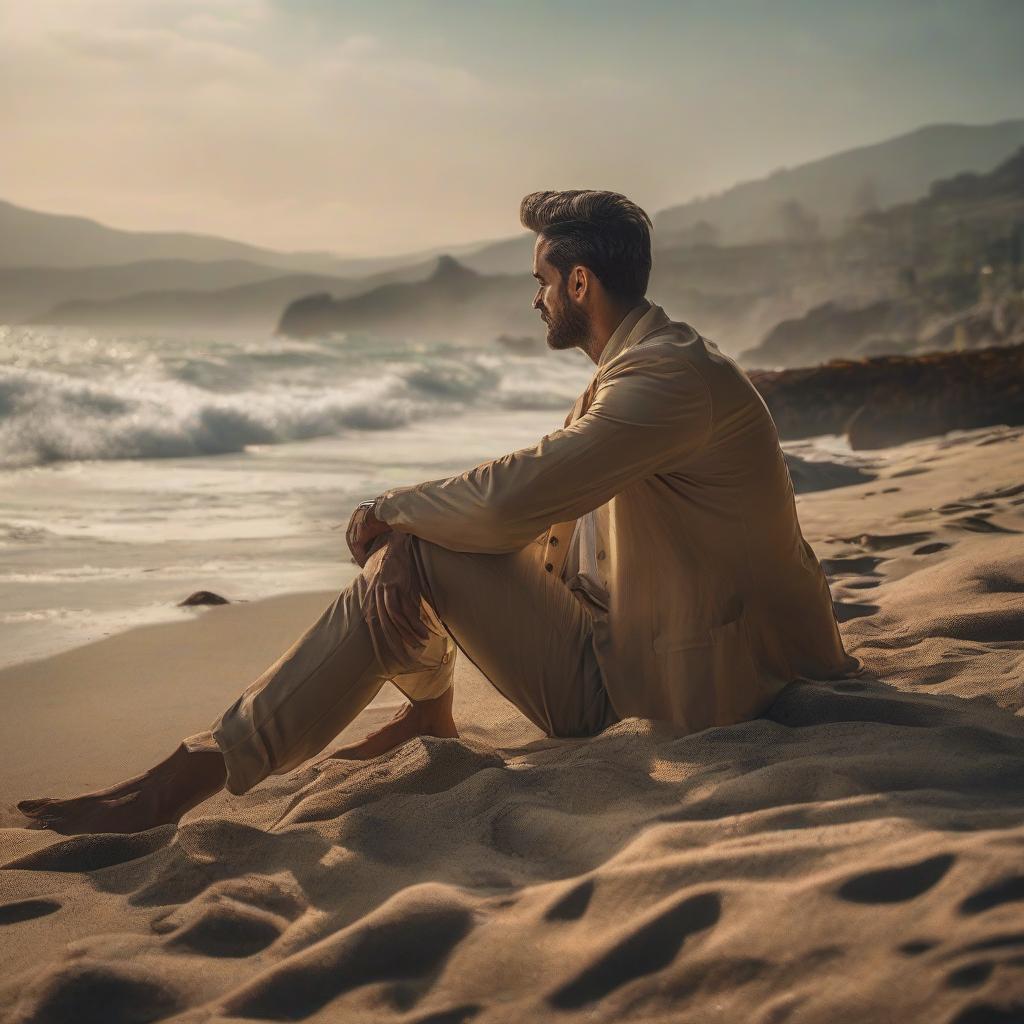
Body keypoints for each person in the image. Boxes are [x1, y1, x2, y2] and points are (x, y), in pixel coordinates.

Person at [17, 190, 859, 836]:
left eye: (541, 282)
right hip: (636, 657)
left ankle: (190, 776)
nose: (535, 300)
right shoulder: (643, 365)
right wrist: (408, 532)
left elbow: (516, 499)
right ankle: (420, 710)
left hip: (703, 689)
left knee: (417, 542)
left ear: (579, 282)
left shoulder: (666, 382)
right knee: (417, 548)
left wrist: (390, 514)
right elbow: (525, 516)